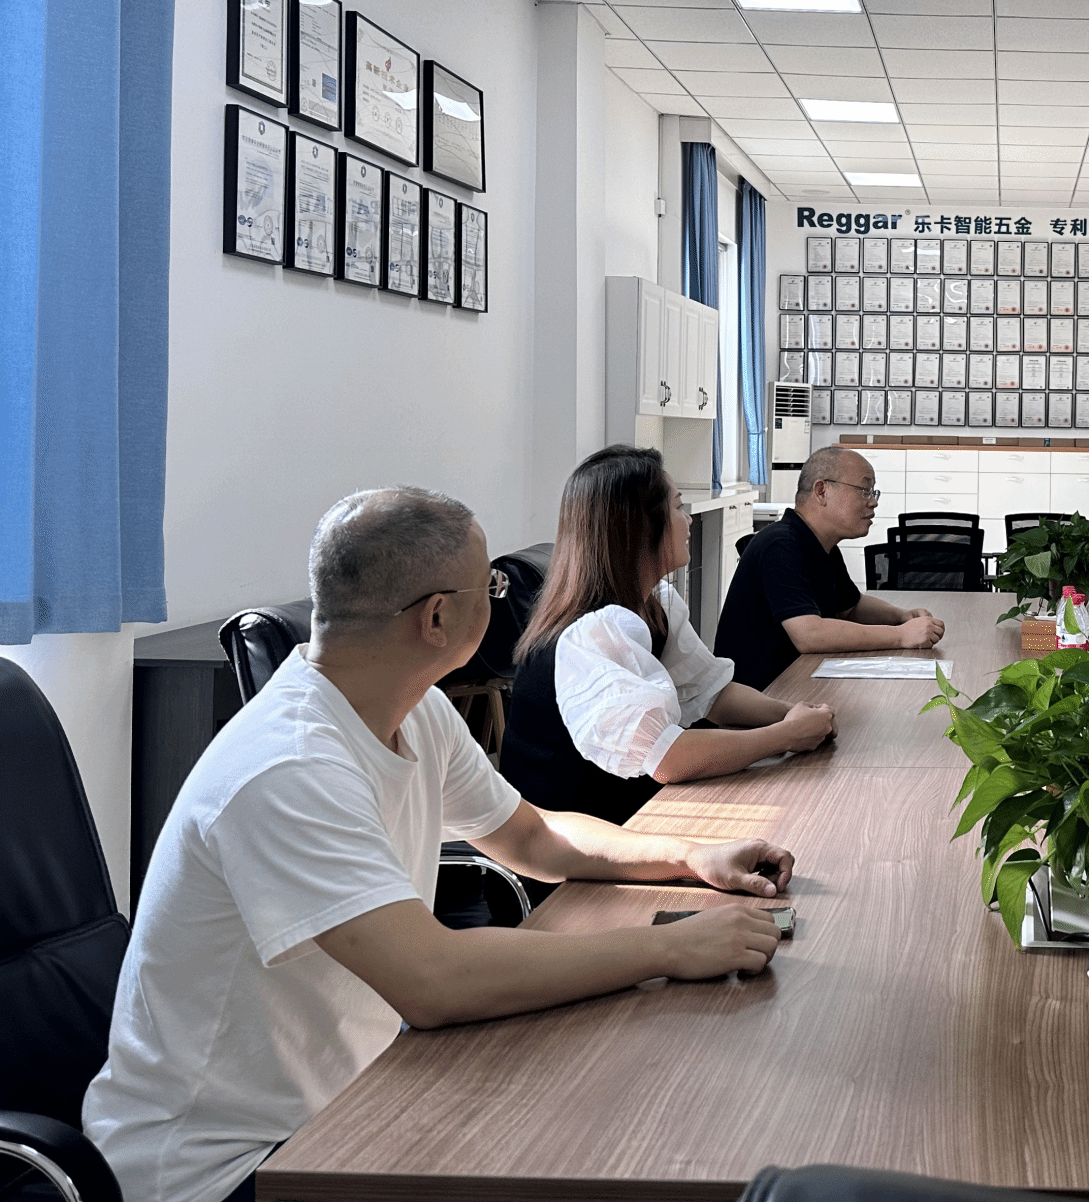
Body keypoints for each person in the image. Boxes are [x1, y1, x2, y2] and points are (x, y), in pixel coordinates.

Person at [84, 488, 793, 1202]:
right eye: (492, 588)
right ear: (438, 617)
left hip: (352, 1108)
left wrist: (689, 856)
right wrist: (668, 949)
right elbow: (434, 981)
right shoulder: (290, 765)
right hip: (226, 1171)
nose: (501, 602)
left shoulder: (413, 708)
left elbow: (532, 835)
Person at [501, 446, 836, 825]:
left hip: (630, 816)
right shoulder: (593, 632)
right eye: (677, 507)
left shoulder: (654, 602)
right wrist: (785, 735)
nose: (688, 519)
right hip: (578, 843)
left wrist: (795, 715)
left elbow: (713, 693)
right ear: (638, 527)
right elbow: (668, 758)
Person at [715, 445, 945, 693]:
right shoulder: (780, 545)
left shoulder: (823, 546)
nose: (873, 502)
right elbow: (810, 634)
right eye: (864, 490)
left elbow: (851, 607)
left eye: (873, 492)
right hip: (760, 698)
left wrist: (901, 615)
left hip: (797, 685)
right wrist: (901, 635)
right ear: (821, 491)